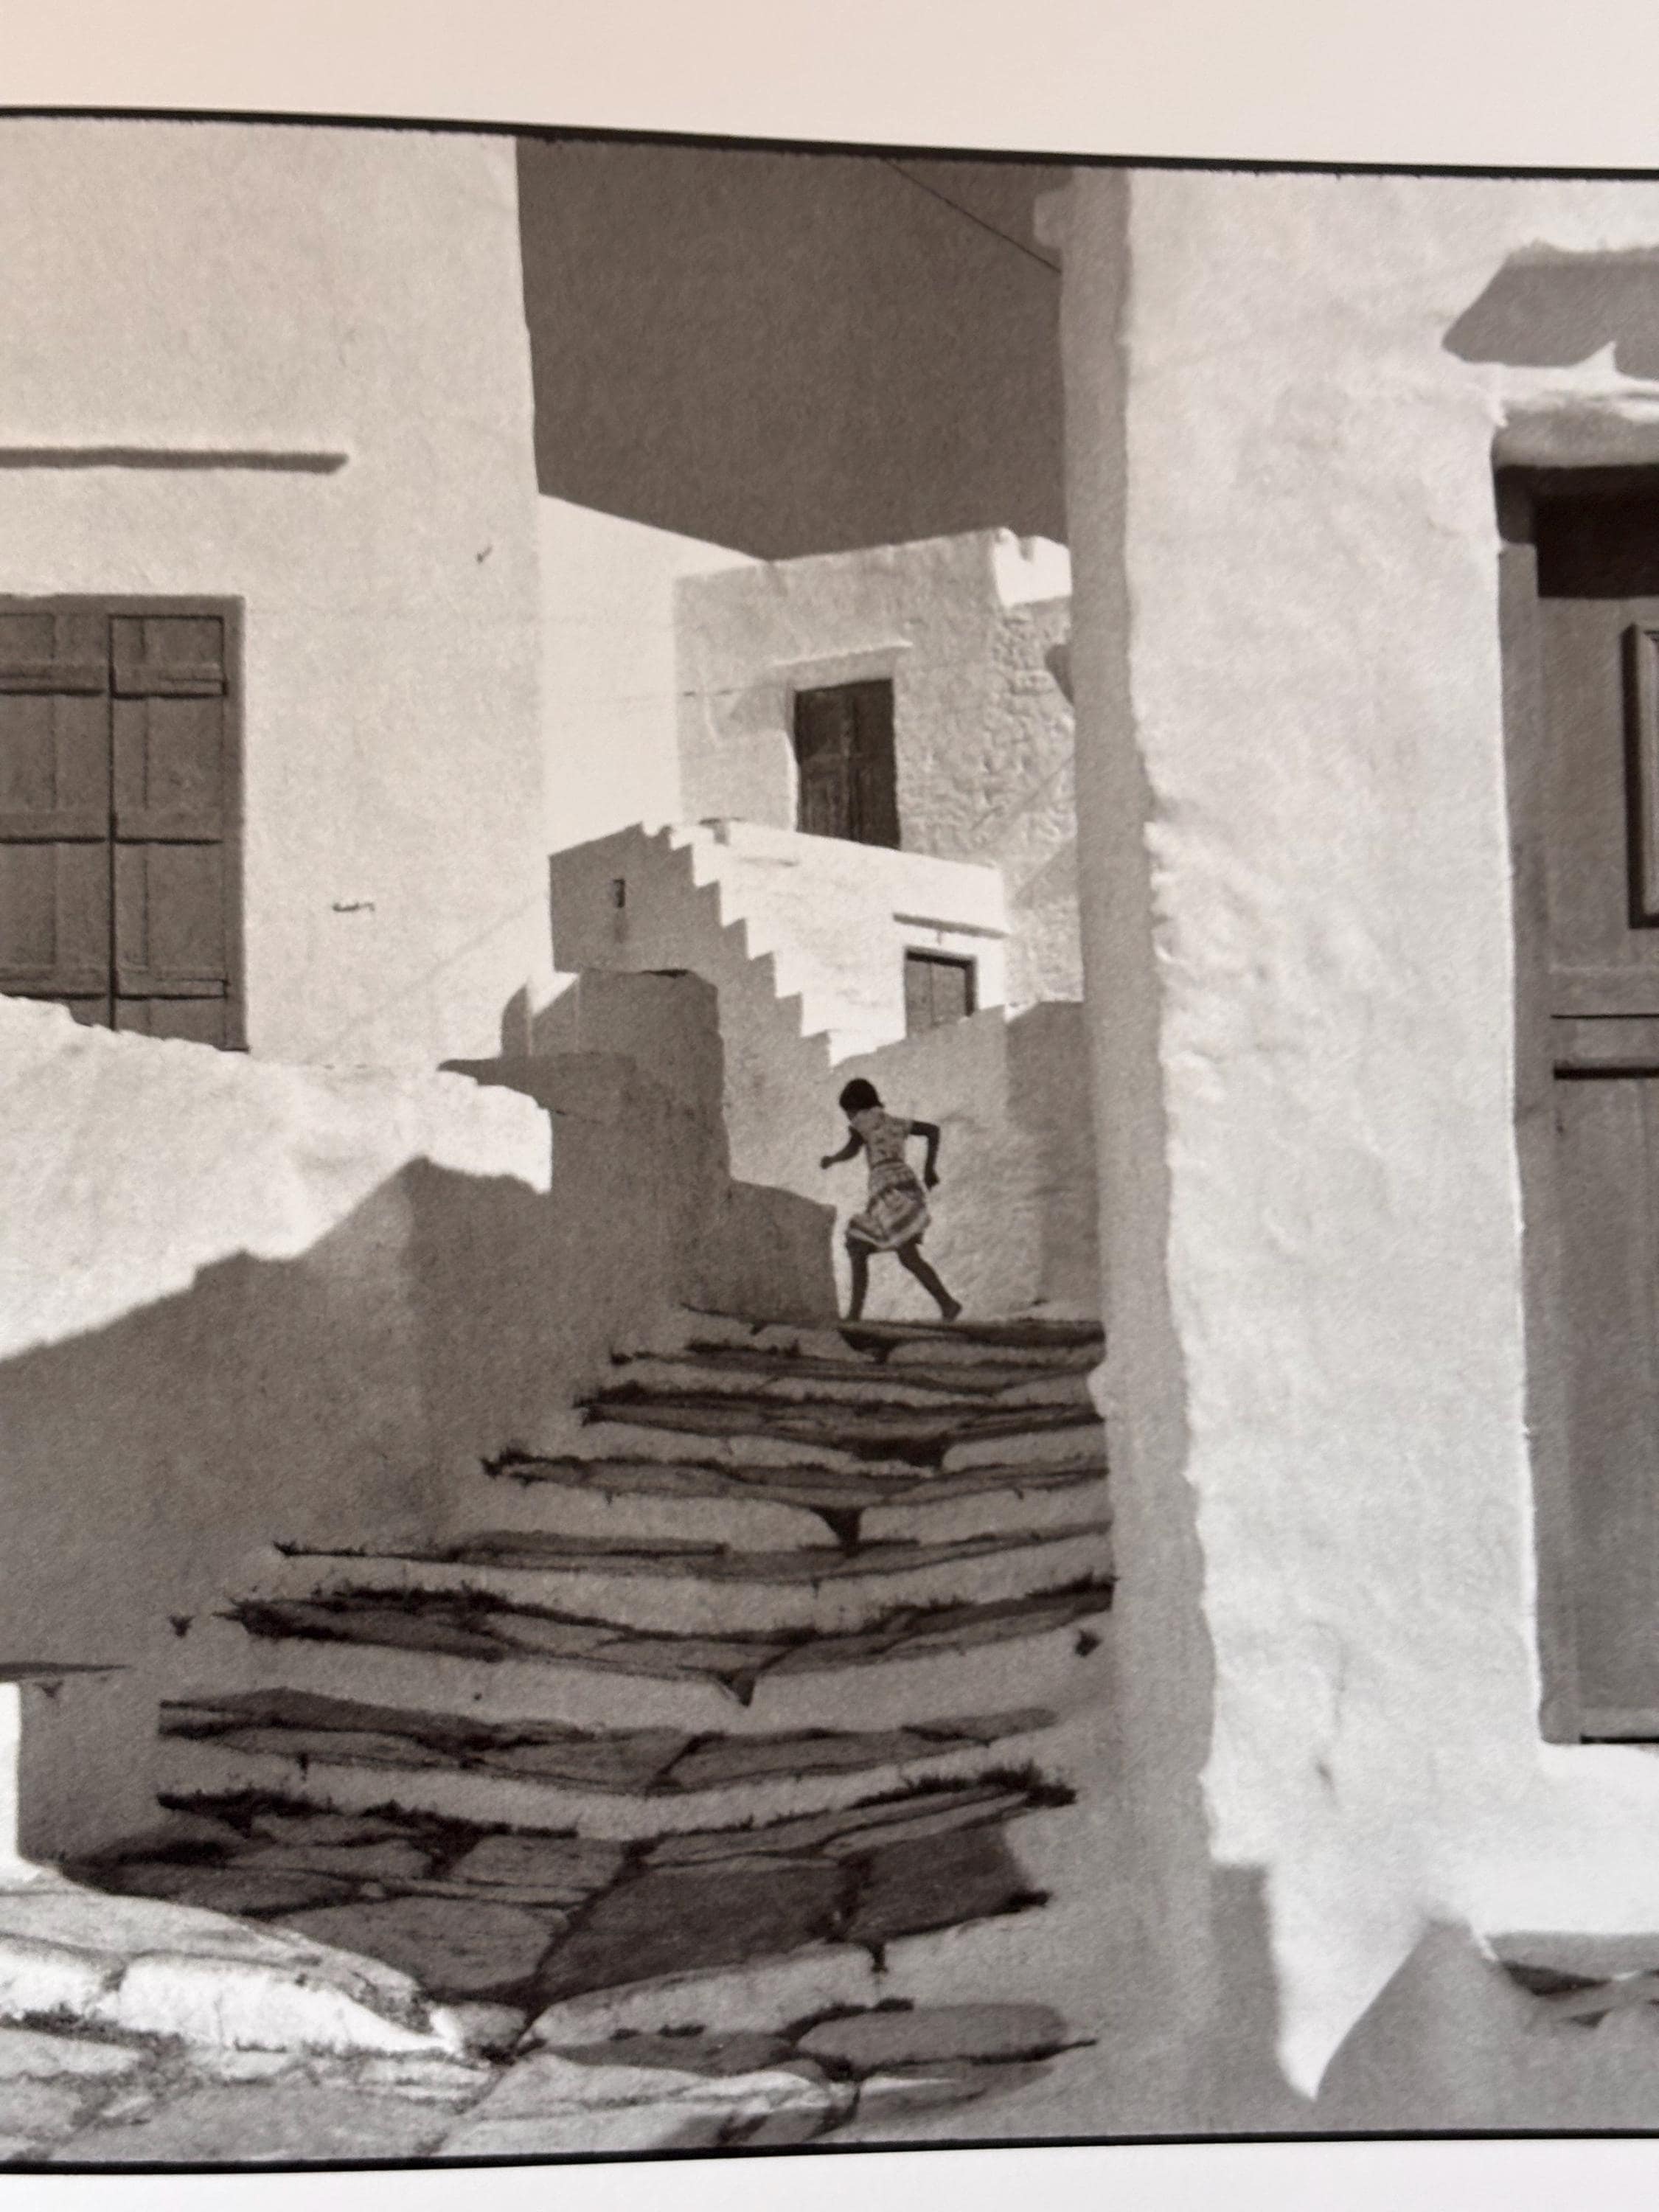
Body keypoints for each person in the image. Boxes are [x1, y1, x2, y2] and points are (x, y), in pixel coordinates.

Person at [820, 1078, 961, 1324]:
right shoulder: (894, 1122)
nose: (849, 1118)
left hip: (888, 1189)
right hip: (903, 1186)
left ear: (857, 1107)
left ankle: (946, 1304)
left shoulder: (861, 1123)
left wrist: (832, 1159)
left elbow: (852, 1150)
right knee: (865, 1245)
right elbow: (932, 1131)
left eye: (849, 1112)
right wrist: (929, 1170)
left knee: (868, 1247)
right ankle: (946, 1304)